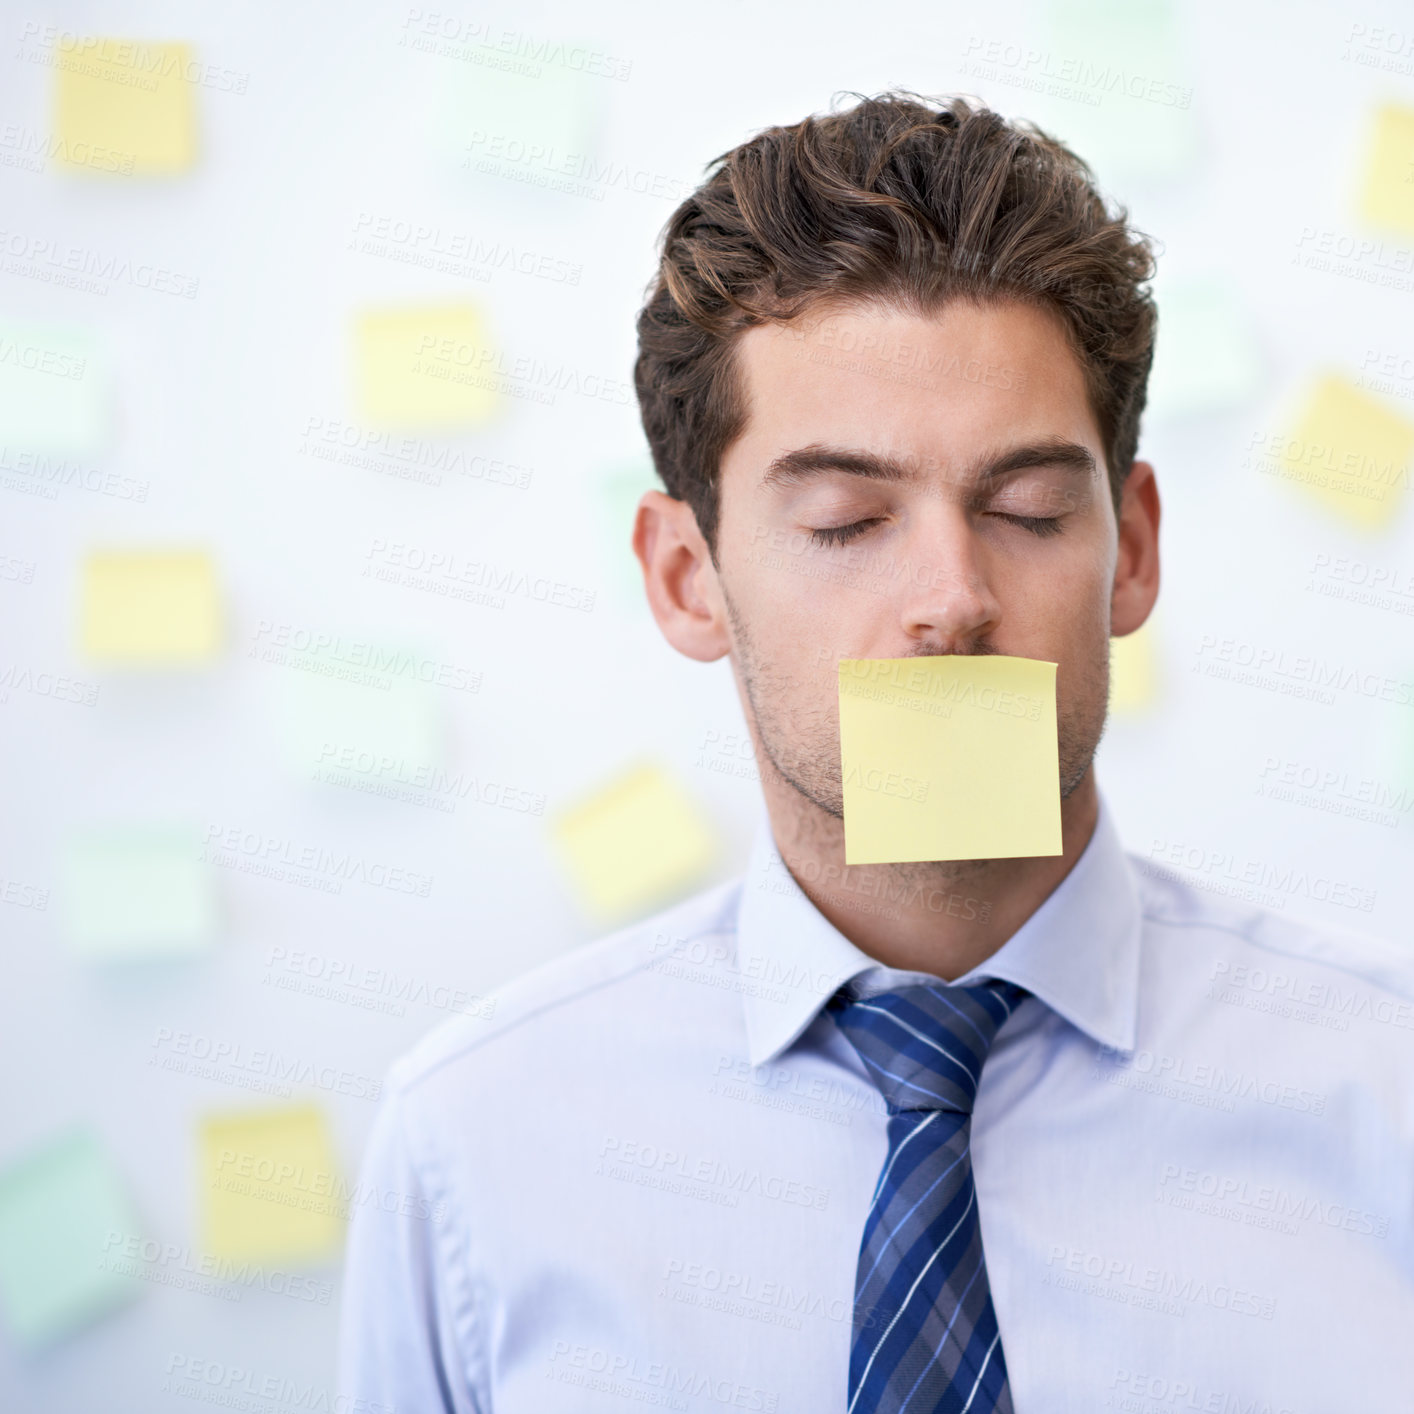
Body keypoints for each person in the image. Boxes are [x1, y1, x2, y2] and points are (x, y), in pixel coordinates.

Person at [337, 90, 1414, 1412]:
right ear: (685, 577)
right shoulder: (474, 1139)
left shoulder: (1386, 1088)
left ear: (1129, 552)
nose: (948, 595)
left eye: (1023, 509)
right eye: (846, 520)